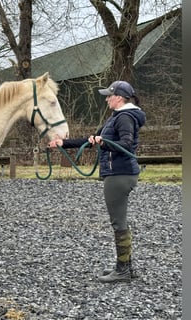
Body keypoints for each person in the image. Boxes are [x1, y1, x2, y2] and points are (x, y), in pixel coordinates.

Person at [49, 80, 146, 283]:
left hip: (120, 174)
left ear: (119, 97)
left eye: (109, 96)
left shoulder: (125, 117)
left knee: (118, 221)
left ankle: (123, 270)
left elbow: (126, 144)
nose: (107, 99)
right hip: (116, 173)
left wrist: (105, 143)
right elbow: (91, 139)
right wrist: (63, 143)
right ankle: (126, 266)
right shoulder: (116, 117)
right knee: (119, 221)